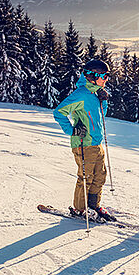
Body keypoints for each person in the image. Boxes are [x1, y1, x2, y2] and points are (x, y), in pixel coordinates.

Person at [53, 59, 115, 221]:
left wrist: (103, 101)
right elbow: (59, 112)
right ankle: (80, 209)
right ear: (93, 76)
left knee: (100, 176)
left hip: (96, 143)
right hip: (83, 143)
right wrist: (72, 130)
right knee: (86, 177)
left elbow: (100, 115)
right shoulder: (80, 94)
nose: (106, 79)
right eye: (104, 76)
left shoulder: (95, 94)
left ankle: (93, 206)